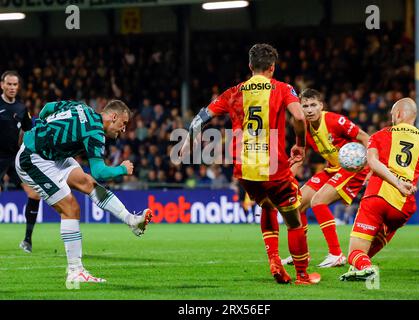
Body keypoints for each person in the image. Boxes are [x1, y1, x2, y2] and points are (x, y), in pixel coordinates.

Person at [181, 43, 320, 285]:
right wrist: (300, 144)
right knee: (293, 219)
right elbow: (299, 116)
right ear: (272, 68)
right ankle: (303, 275)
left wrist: (185, 144)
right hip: (273, 167)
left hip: (245, 169)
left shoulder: (234, 92)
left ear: (250, 66)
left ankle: (275, 260)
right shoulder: (282, 88)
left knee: (266, 205)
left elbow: (200, 118)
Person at [15, 100, 152, 285]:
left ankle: (131, 220)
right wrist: (122, 169)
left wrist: (41, 126)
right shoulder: (95, 131)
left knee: (87, 182)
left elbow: (48, 107)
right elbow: (100, 172)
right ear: (113, 117)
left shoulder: (80, 107)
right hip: (33, 158)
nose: (124, 130)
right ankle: (75, 271)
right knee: (71, 208)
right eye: (124, 123)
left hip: (53, 154)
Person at [340, 98, 419, 281]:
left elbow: (373, 163)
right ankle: (361, 268)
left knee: (354, 253)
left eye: (393, 114)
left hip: (378, 197)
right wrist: (402, 182)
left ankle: (365, 266)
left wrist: (395, 182)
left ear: (398, 114)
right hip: (404, 205)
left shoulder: (379, 135)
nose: (392, 117)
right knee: (368, 248)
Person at [280, 88, 370, 267]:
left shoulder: (335, 121)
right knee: (297, 204)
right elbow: (299, 155)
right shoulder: (302, 125)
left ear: (321, 105)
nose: (310, 110)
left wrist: (372, 165)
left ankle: (336, 254)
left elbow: (365, 137)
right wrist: (285, 179)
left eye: (313, 105)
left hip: (353, 168)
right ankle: (301, 255)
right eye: (305, 106)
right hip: (332, 168)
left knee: (318, 202)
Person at [0, 70, 41, 253]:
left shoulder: (21, 108)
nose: (12, 87)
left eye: (15, 84)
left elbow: (28, 131)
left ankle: (27, 241)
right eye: (9, 84)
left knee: (34, 194)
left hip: (14, 157)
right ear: (2, 85)